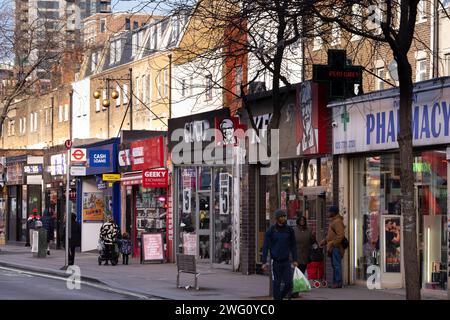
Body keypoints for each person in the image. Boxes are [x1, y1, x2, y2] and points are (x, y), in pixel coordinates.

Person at [261, 209, 298, 300]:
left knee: (289, 283)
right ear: (277, 218)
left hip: (286, 261)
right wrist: (264, 262)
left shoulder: (289, 230)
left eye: (284, 216)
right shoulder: (271, 230)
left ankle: (280, 297)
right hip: (275, 261)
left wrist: (295, 259)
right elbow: (265, 246)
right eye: (281, 216)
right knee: (276, 283)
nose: (283, 218)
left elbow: (293, 245)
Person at [320, 205, 346, 288]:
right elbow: (330, 235)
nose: (328, 213)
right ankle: (336, 282)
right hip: (333, 246)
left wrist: (332, 243)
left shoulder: (337, 221)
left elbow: (340, 235)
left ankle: (338, 282)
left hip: (336, 247)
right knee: (335, 265)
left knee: (336, 265)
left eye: (330, 212)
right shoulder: (333, 221)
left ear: (334, 212)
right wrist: (324, 241)